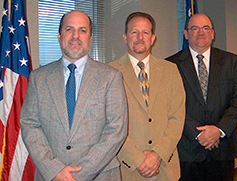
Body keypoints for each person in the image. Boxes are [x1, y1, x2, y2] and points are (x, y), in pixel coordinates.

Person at [20, 10, 128, 181]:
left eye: (82, 30)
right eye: (69, 29)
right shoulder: (38, 78)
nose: (75, 36)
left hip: (99, 175)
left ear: (90, 38)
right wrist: (54, 170)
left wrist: (79, 174)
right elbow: (29, 124)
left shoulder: (111, 77)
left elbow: (116, 130)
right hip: (51, 176)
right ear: (59, 35)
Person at [166, 13, 237, 181]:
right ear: (186, 34)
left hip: (223, 148)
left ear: (213, 33)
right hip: (187, 149)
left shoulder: (230, 61)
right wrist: (199, 134)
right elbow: (169, 104)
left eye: (205, 28)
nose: (200, 33)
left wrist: (218, 130)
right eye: (194, 28)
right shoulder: (170, 65)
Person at [109, 12, 185, 181]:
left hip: (165, 167)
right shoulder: (109, 73)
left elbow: (177, 118)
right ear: (125, 37)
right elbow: (109, 124)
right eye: (134, 32)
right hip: (127, 169)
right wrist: (137, 159)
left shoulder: (171, 70)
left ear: (152, 38)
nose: (140, 37)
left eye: (145, 32)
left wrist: (158, 155)